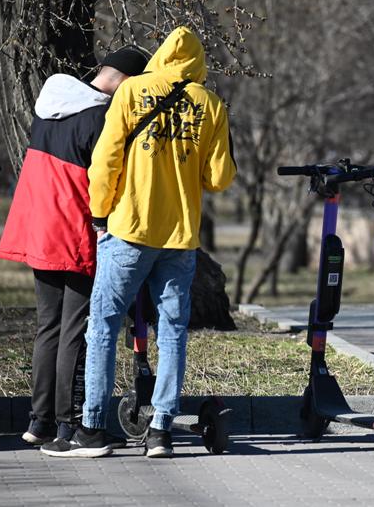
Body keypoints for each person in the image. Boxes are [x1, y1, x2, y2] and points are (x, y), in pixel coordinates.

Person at [42, 26, 236, 458]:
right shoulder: (210, 103)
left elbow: (106, 159)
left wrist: (98, 212)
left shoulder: (132, 93)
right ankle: (161, 431)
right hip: (179, 236)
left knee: (103, 328)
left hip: (128, 230)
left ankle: (92, 428)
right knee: (173, 333)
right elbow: (220, 178)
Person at [0, 47, 149, 446]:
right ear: (127, 81)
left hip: (39, 228)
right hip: (75, 230)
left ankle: (37, 422)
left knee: (48, 327)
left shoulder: (50, 104)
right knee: (74, 331)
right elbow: (106, 182)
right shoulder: (102, 118)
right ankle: (68, 423)